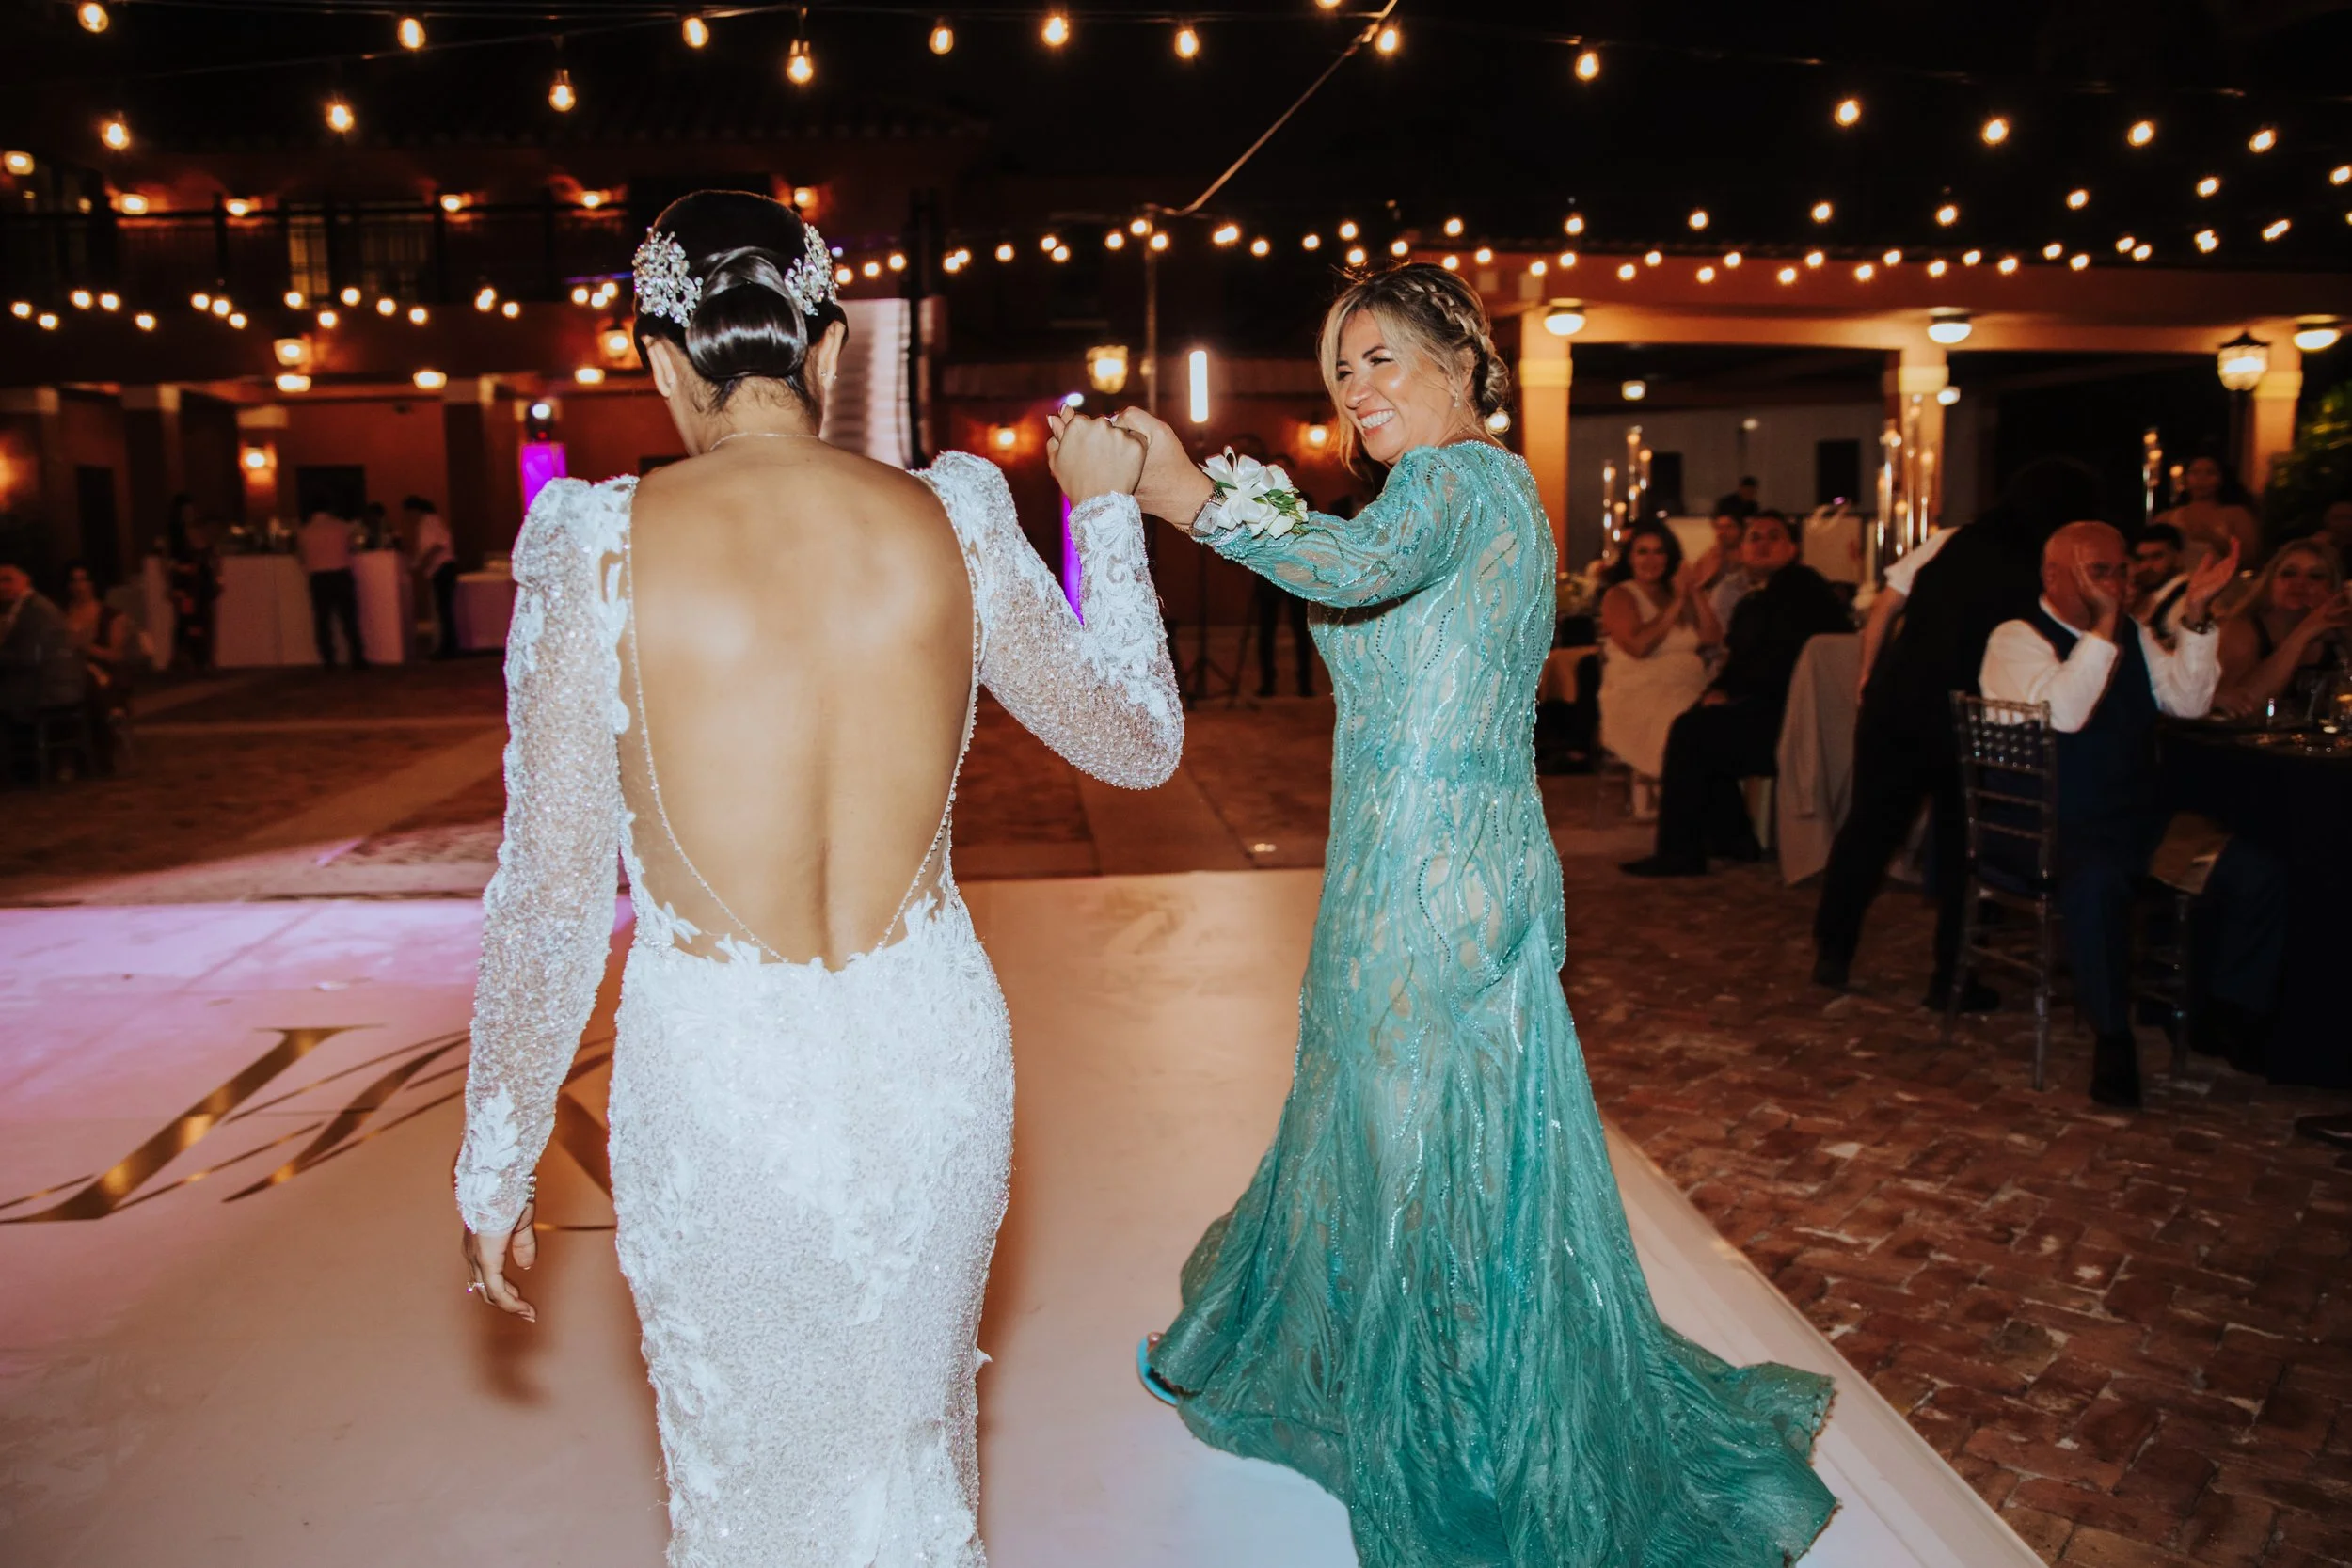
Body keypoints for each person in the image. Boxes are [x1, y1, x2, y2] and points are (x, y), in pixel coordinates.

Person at [452, 191, 1182, 1564]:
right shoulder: (958, 508)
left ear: (662, 361)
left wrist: (497, 1155)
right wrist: (1105, 516)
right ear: (831, 349)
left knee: (749, 1498)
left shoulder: (587, 541)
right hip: (932, 1060)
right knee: (913, 1465)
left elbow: (549, 892)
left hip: (725, 1091)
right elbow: (1138, 742)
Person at [1111, 262, 1836, 1567]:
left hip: (1430, 876)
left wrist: (1187, 497)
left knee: (1406, 1138)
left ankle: (1443, 1417)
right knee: (1418, 1131)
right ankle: (1434, 1369)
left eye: (1381, 356)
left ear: (1463, 360)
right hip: (1437, 858)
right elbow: (1364, 589)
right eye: (1341, 370)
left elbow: (1356, 565)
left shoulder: (1451, 485)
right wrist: (1273, 517)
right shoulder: (1488, 495)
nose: (1357, 389)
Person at [1978, 521, 2276, 1107]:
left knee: (2257, 873)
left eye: (2119, 570)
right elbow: (2064, 713)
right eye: (2098, 572)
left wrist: (2195, 614)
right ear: (2053, 575)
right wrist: (2106, 626)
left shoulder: (2134, 634)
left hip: (2137, 820)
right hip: (2048, 825)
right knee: (2097, 881)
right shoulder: (2015, 639)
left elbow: (2188, 701)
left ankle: (2225, 1013)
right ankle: (2112, 1037)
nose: (2114, 584)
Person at [1812, 458, 2105, 1010]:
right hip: (1968, 716)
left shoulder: (1955, 540)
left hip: (1897, 701)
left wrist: (1868, 674)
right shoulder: (2048, 564)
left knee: (1870, 828)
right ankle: (1951, 978)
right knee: (1961, 841)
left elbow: (1887, 603)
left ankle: (1833, 947)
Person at [1622, 510, 1851, 878]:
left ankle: (1682, 852)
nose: (1761, 544)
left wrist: (1731, 692)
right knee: (1699, 726)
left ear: (1792, 549)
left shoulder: (1801, 587)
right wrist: (1721, 689)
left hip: (1796, 717)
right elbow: (1742, 659)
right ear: (1741, 551)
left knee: (1691, 732)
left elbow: (1782, 656)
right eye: (1754, 537)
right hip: (1773, 707)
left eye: (1772, 536)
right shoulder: (1755, 600)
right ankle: (1735, 839)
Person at [1597, 518, 1720, 813]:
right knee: (1683, 723)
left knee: (1714, 717)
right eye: (1643, 552)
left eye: (1659, 552)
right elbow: (1639, 646)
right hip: (1639, 690)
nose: (1651, 560)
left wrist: (1694, 591)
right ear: (1630, 557)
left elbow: (1712, 638)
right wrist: (1676, 602)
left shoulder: (1677, 592)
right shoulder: (1620, 596)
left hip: (1690, 684)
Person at [2212, 537, 2346, 721]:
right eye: (2289, 574)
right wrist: (2304, 632)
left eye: (2315, 576)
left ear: (2332, 588)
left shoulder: (2340, 635)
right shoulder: (2241, 630)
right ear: (2270, 583)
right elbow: (2243, 706)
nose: (2300, 583)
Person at [1, 560, 87, 782]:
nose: (2, 586)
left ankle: (17, 768)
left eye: (7, 580)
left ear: (25, 581)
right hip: (41, 680)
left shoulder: (37, 611)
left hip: (48, 687)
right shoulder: (23, 608)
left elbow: (30, 658)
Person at [1852, 521, 1955, 703]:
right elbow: (1885, 605)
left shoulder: (1949, 540)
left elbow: (1885, 605)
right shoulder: (1947, 540)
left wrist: (1866, 675)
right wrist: (1866, 674)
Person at [60, 561, 135, 771]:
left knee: (93, 679)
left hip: (106, 672)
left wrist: (84, 646)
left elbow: (115, 655)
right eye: (74, 581)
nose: (79, 586)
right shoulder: (62, 615)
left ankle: (101, 745)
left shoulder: (111, 615)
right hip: (71, 673)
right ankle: (112, 713)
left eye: (84, 580)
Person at [2155, 452, 2262, 573]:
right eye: (2195, 473)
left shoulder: (2237, 515)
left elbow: (2250, 559)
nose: (2201, 479)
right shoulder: (2166, 518)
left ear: (2221, 478)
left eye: (2210, 473)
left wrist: (2215, 540)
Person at [296, 506, 366, 668]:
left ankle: (328, 659)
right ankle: (357, 657)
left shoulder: (305, 531)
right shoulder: (341, 526)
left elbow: (301, 557)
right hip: (341, 574)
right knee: (349, 618)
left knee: (322, 620)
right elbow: (352, 548)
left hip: (319, 578)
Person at [165, 495, 219, 672]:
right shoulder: (175, 536)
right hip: (186, 586)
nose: (189, 514)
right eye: (185, 511)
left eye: (191, 510)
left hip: (203, 583)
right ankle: (187, 658)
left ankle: (206, 659)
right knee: (188, 620)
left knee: (205, 620)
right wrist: (178, 576)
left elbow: (212, 557)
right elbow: (168, 562)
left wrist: (217, 577)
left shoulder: (201, 532)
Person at [405, 494, 460, 657]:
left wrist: (420, 562)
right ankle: (447, 646)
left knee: (443, 610)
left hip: (442, 569)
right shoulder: (434, 520)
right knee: (444, 610)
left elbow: (435, 545)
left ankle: (447, 648)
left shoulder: (428, 522)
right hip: (443, 568)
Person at [2131, 523, 2191, 648]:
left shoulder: (2186, 601)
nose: (2147, 566)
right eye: (2141, 559)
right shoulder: (2145, 595)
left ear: (2178, 557)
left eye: (2157, 557)